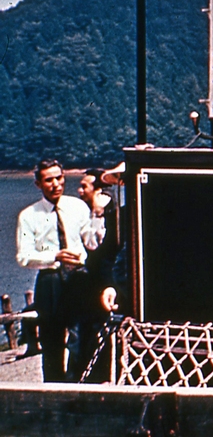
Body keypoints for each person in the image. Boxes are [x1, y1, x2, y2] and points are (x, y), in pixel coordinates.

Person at [16, 159, 94, 381]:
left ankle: (75, 385)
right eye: (48, 180)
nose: (55, 184)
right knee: (51, 340)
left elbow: (91, 241)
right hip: (50, 280)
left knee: (80, 336)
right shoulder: (29, 216)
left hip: (78, 277)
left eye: (59, 178)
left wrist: (98, 215)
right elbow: (24, 257)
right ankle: (53, 390)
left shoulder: (78, 207)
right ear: (38, 184)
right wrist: (54, 256)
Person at [76, 168, 119, 382]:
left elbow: (94, 244)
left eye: (85, 186)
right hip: (91, 284)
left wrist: (98, 213)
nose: (80, 190)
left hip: (103, 284)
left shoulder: (106, 214)